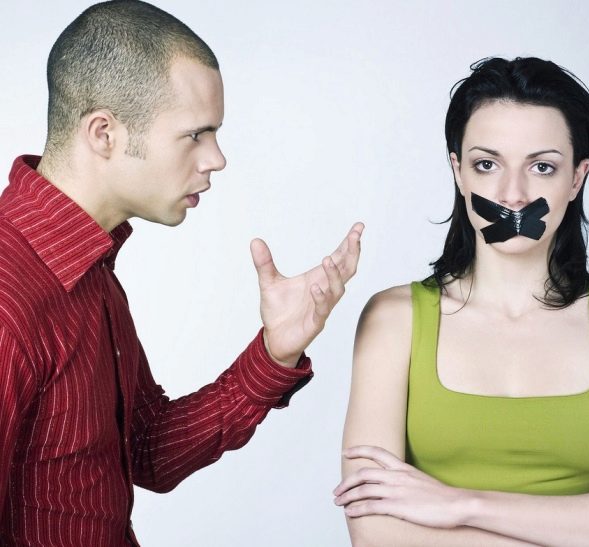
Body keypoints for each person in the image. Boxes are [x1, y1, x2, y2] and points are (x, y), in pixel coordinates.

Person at [0, 1, 363, 545]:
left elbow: (145, 449)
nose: (217, 158)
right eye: (196, 134)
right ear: (104, 133)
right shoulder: (10, 294)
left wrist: (275, 351)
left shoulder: (87, 271)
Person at [335, 57, 589, 546]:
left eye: (542, 167)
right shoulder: (393, 320)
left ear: (577, 178)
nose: (513, 195)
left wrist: (460, 504)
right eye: (487, 164)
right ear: (459, 172)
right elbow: (377, 536)